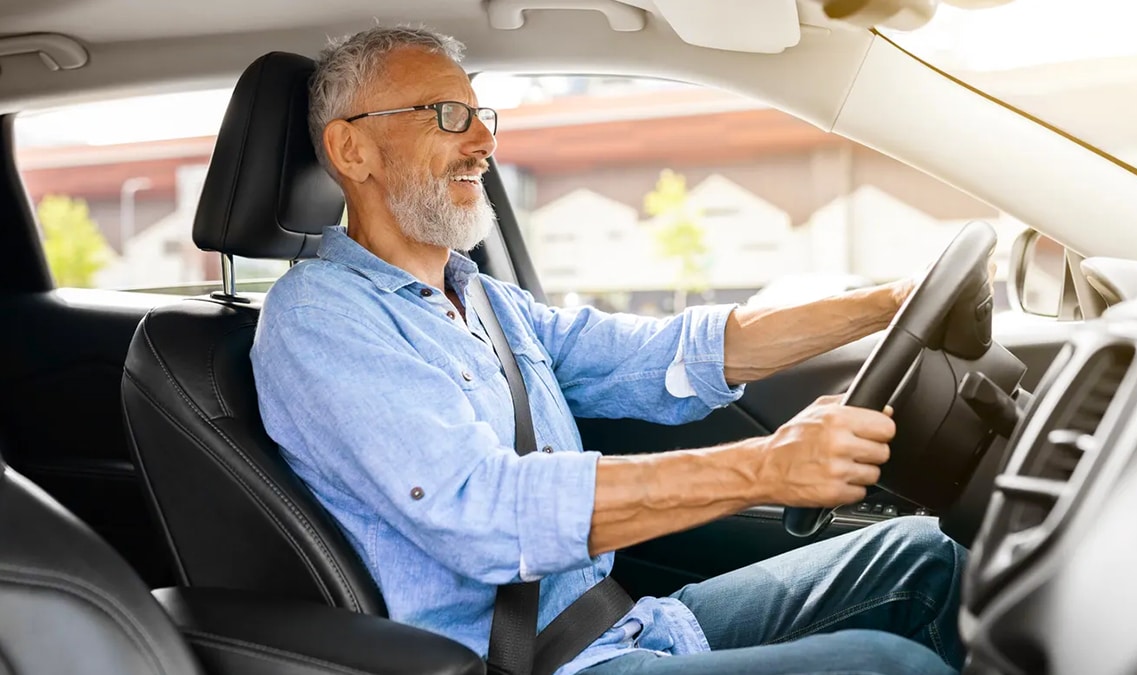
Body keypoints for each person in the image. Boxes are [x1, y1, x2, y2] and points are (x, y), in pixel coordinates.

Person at [250, 25, 968, 675]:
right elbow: (483, 512)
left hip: (622, 624)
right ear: (353, 149)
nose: (484, 144)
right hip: (533, 664)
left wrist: (894, 302)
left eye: (481, 117)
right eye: (448, 116)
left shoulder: (486, 302)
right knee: (882, 666)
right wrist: (767, 466)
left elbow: (667, 355)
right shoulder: (319, 317)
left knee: (922, 559)